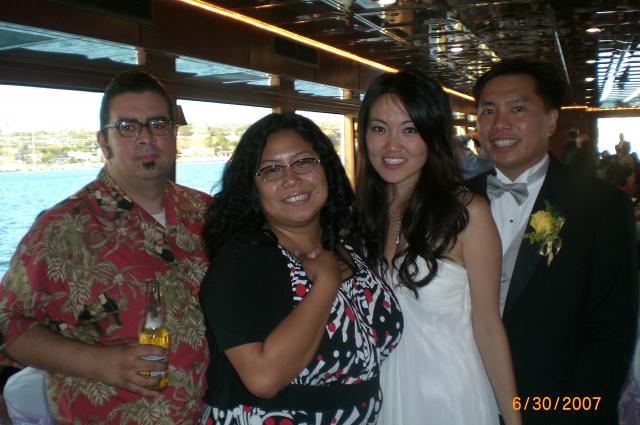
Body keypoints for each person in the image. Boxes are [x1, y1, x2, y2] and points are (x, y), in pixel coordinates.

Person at [0, 71, 211, 424]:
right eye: (127, 127)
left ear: (173, 134)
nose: (146, 138)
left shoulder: (204, 212)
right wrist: (100, 363)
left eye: (158, 124)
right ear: (104, 141)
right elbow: (8, 323)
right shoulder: (62, 229)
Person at [198, 112, 402, 425]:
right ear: (251, 187)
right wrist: (326, 283)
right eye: (271, 169)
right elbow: (263, 377)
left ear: (326, 168)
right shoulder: (243, 260)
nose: (291, 179)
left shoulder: (349, 244)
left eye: (303, 162)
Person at [468, 57, 638, 425]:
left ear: (551, 121)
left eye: (517, 109)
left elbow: (612, 334)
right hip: (462, 400)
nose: (500, 124)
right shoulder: (454, 203)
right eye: (488, 111)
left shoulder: (601, 206)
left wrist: (573, 413)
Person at [353, 68, 520, 425]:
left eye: (409, 130)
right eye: (379, 129)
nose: (392, 145)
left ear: (432, 135)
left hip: (450, 397)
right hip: (377, 398)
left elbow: (488, 327)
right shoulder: (360, 217)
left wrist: (513, 419)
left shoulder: (466, 214)